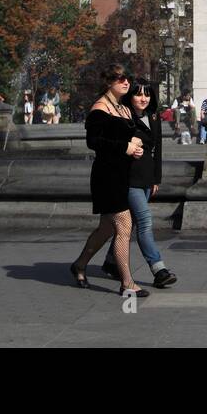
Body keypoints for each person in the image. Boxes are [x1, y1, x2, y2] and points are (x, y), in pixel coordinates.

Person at [70, 65, 148, 297]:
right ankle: (127, 283)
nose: (126, 82)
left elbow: (133, 134)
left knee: (106, 228)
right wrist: (125, 146)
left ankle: (80, 264)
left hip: (123, 174)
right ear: (108, 82)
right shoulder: (99, 109)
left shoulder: (123, 108)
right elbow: (93, 142)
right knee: (124, 225)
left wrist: (136, 144)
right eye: (120, 79)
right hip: (107, 176)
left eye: (127, 78)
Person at [101, 76, 177, 290]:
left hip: (145, 177)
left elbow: (158, 149)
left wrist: (156, 178)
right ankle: (158, 269)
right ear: (130, 95)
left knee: (130, 222)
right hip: (127, 177)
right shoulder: (122, 116)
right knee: (144, 220)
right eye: (138, 93)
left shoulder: (153, 116)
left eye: (147, 93)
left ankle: (110, 262)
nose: (143, 98)